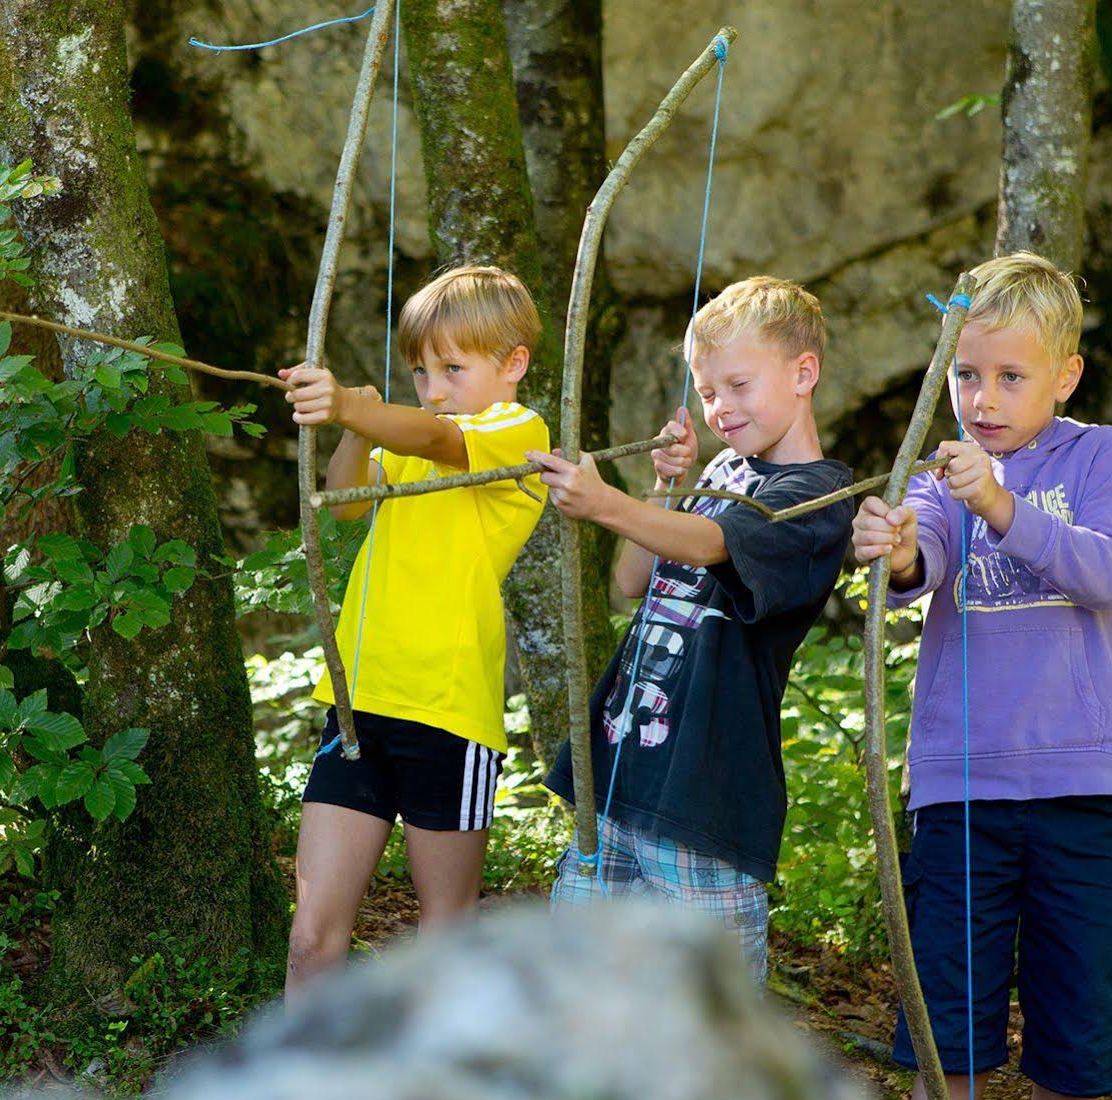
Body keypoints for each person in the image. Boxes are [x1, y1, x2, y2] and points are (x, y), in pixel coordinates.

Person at [851, 251, 1112, 1100]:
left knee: (1075, 1033)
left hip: (1079, 793)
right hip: (961, 792)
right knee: (950, 1029)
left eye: (1009, 376)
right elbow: (922, 560)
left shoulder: (1103, 455)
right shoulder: (942, 478)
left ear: (1063, 375)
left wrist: (1002, 505)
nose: (981, 399)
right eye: (965, 375)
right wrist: (896, 549)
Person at [527, 275, 854, 986]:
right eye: (707, 392)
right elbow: (630, 582)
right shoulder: (723, 467)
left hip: (705, 797)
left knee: (711, 1028)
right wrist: (662, 487)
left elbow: (710, 545)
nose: (720, 407)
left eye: (738, 384)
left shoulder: (818, 496)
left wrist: (603, 502)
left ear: (804, 373)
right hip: (620, 776)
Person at [278, 265, 549, 993]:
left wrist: (355, 408)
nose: (433, 389)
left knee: (443, 939)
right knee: (310, 939)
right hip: (359, 699)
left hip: (446, 710)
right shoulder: (411, 431)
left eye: (452, 369)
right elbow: (344, 505)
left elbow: (436, 438)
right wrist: (352, 422)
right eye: (421, 371)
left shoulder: (515, 432)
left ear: (512, 363)